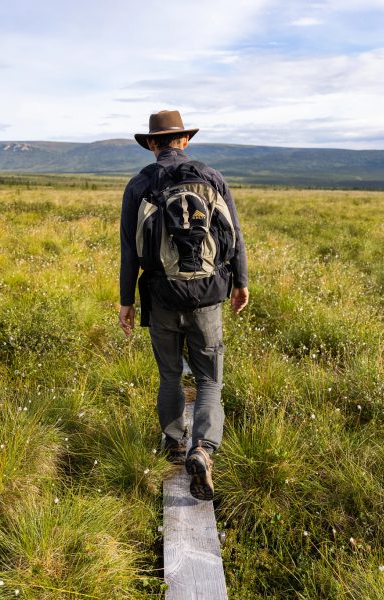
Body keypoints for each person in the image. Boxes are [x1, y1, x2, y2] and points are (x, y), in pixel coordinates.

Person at [118, 110, 249, 501]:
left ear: (153, 143)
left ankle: (175, 444)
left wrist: (127, 301)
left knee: (170, 375)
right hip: (208, 293)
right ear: (184, 140)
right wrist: (240, 282)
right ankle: (204, 450)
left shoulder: (139, 184)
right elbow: (235, 236)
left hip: (160, 296)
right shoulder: (212, 177)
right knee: (210, 379)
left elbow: (129, 251)